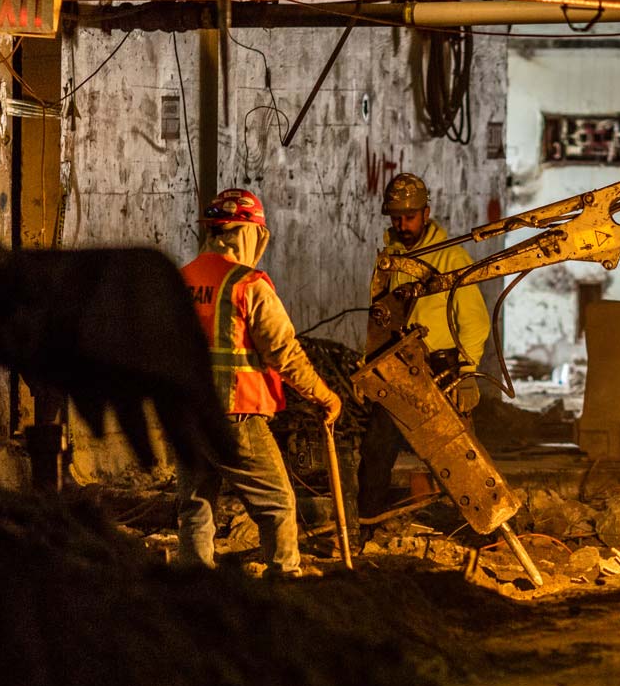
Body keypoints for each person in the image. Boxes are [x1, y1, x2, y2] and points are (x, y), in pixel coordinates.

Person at [177, 188, 342, 576]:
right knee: (278, 503)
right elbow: (283, 352)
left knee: (195, 506)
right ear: (250, 233)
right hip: (234, 418)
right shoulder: (248, 284)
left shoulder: (180, 280)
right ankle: (285, 579)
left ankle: (191, 585)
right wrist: (325, 396)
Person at [357, 172, 490, 526]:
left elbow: (475, 321)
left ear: (426, 213)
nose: (402, 224)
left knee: (460, 459)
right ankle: (367, 526)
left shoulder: (451, 259)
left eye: (409, 217)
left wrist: (467, 373)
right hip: (399, 372)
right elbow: (381, 320)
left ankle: (484, 532)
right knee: (375, 450)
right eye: (396, 218)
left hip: (442, 372)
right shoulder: (389, 261)